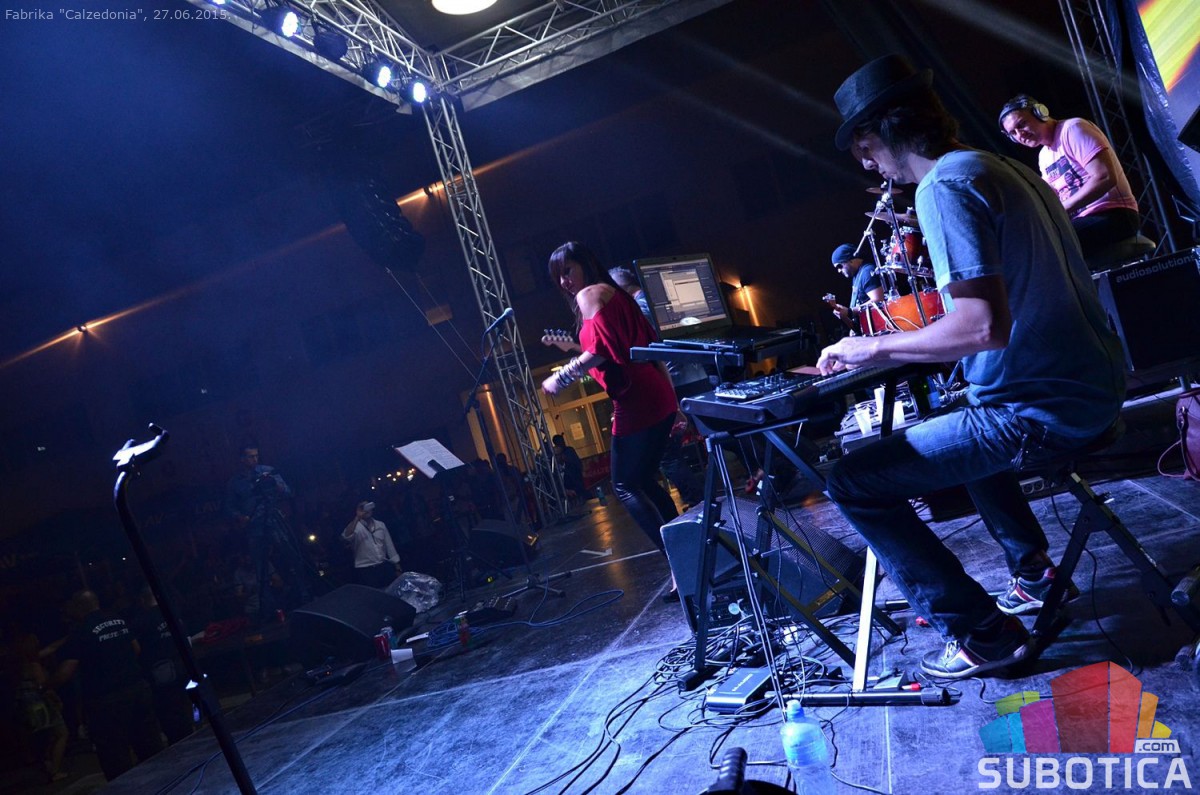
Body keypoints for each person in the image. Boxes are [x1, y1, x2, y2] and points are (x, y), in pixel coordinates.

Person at [819, 55, 1125, 679]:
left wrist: (866, 348)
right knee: (961, 409)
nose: (868, 165)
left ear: (881, 133)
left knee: (850, 480)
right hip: (1094, 384)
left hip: (1041, 411)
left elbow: (983, 327)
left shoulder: (944, 187)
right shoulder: (1004, 166)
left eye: (864, 150)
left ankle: (981, 633)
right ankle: (1034, 572)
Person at [542, 242, 679, 555]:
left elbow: (602, 350)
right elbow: (644, 349)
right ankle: (685, 552)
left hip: (635, 399)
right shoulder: (616, 294)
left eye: (567, 270)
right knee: (644, 480)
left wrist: (560, 378)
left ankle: (675, 558)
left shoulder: (588, 294)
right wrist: (673, 399)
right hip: (657, 393)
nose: (563, 281)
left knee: (624, 485)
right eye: (557, 276)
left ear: (585, 264)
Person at [609, 265, 706, 507]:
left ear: (622, 288)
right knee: (718, 431)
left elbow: (643, 350)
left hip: (676, 382)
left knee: (667, 455)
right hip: (695, 374)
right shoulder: (659, 303)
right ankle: (776, 469)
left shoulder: (639, 309)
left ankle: (698, 502)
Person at [998, 94, 1140, 259]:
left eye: (1021, 124)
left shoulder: (1073, 129)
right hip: (1081, 220)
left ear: (1040, 112)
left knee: (1043, 246)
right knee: (1025, 243)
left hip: (1115, 215)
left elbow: (1104, 177)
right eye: (1013, 133)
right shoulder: (1044, 156)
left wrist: (1059, 211)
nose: (1020, 134)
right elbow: (1051, 198)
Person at [49, 590, 164, 780]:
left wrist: (46, 686)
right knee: (149, 745)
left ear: (79, 607)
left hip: (106, 700)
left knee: (115, 756)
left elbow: (66, 671)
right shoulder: (118, 620)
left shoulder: (81, 631)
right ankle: (166, 783)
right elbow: (136, 648)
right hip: (136, 689)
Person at [225, 444, 311, 624]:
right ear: (242, 459)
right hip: (254, 526)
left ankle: (305, 596)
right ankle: (268, 609)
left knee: (292, 556)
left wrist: (274, 483)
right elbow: (229, 508)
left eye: (256, 456)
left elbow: (287, 492)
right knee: (261, 568)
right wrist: (240, 517)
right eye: (250, 456)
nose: (254, 459)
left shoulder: (268, 471)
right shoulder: (235, 482)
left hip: (274, 520)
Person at [130, 587, 195, 746]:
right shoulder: (171, 613)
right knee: (184, 704)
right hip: (181, 666)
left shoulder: (141, 621)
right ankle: (190, 735)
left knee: (166, 710)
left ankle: (177, 741)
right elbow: (187, 640)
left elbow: (136, 649)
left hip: (159, 673)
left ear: (142, 600)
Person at [341, 501, 402, 589]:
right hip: (366, 571)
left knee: (391, 591)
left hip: (383, 566)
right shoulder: (355, 527)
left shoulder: (380, 525)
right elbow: (346, 536)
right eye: (362, 507)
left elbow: (389, 546)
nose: (365, 510)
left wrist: (397, 567)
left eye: (367, 506)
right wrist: (357, 517)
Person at [827, 244, 885, 334]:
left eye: (839, 266)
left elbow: (879, 300)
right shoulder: (856, 276)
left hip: (880, 332)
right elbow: (857, 327)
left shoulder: (866, 272)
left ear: (850, 260)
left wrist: (850, 311)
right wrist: (844, 316)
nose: (839, 271)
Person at [551, 434, 586, 499]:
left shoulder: (571, 467)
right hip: (562, 497)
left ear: (563, 455)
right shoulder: (552, 470)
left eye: (558, 455)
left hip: (576, 494)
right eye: (555, 456)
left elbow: (578, 482)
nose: (556, 458)